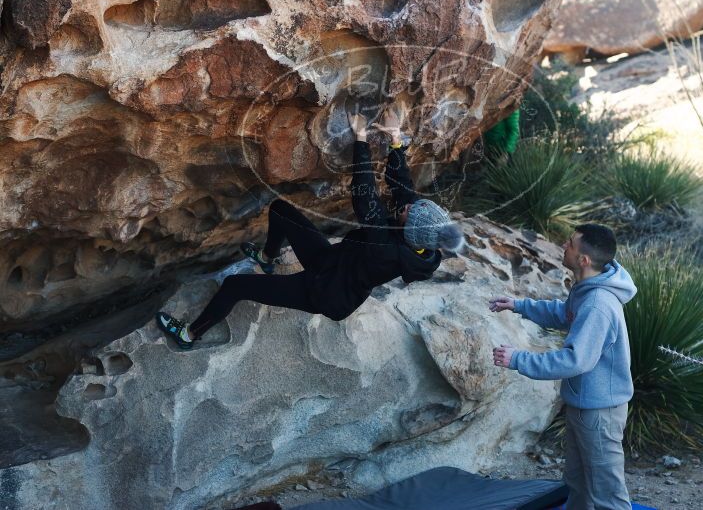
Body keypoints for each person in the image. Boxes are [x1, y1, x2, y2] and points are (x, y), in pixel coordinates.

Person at [155, 105, 464, 349]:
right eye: (415, 207)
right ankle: (267, 258)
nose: (408, 207)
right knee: (281, 211)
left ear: (410, 232)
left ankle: (189, 335)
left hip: (324, 293)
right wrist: (395, 138)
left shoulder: (387, 249)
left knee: (235, 286)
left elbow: (365, 196)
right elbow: (403, 188)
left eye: (410, 212)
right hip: (332, 262)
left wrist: (360, 139)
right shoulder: (420, 235)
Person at [489, 224, 636, 510]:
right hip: (584, 404)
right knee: (577, 482)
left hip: (600, 413)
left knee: (607, 494)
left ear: (584, 259)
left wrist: (518, 359)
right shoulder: (588, 288)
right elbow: (565, 314)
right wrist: (519, 305)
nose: (563, 246)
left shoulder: (598, 304)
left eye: (570, 243)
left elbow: (574, 360)